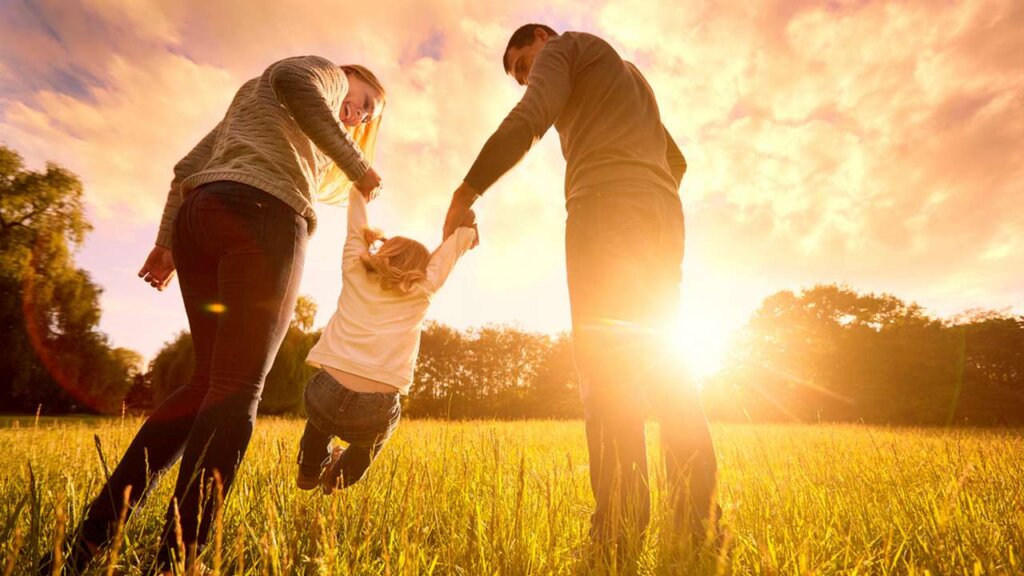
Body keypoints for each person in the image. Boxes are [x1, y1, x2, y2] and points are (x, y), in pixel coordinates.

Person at [40, 55, 387, 575]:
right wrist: (360, 167)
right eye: (363, 101)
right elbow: (296, 80)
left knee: (206, 384)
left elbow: (186, 169)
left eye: (366, 118)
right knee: (238, 390)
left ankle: (83, 548)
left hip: (201, 219)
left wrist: (166, 243)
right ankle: (176, 563)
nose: (357, 116)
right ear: (349, 75)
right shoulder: (320, 72)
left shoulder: (254, 102)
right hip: (264, 217)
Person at [441, 24, 719, 549]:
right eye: (520, 75)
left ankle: (618, 530)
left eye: (525, 65)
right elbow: (676, 159)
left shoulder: (565, 48)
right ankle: (696, 524)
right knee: (668, 367)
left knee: (607, 367)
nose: (527, 79)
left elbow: (531, 117)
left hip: (605, 209)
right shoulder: (629, 75)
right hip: (662, 213)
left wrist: (466, 190)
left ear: (542, 39)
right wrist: (643, 189)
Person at [295, 189, 478, 495]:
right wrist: (465, 230)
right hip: (375, 407)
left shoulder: (355, 269)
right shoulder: (423, 289)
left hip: (325, 391)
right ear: (422, 269)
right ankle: (336, 478)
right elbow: (449, 255)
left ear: (384, 252)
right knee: (372, 440)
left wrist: (359, 192)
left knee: (320, 420)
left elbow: (355, 228)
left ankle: (309, 470)